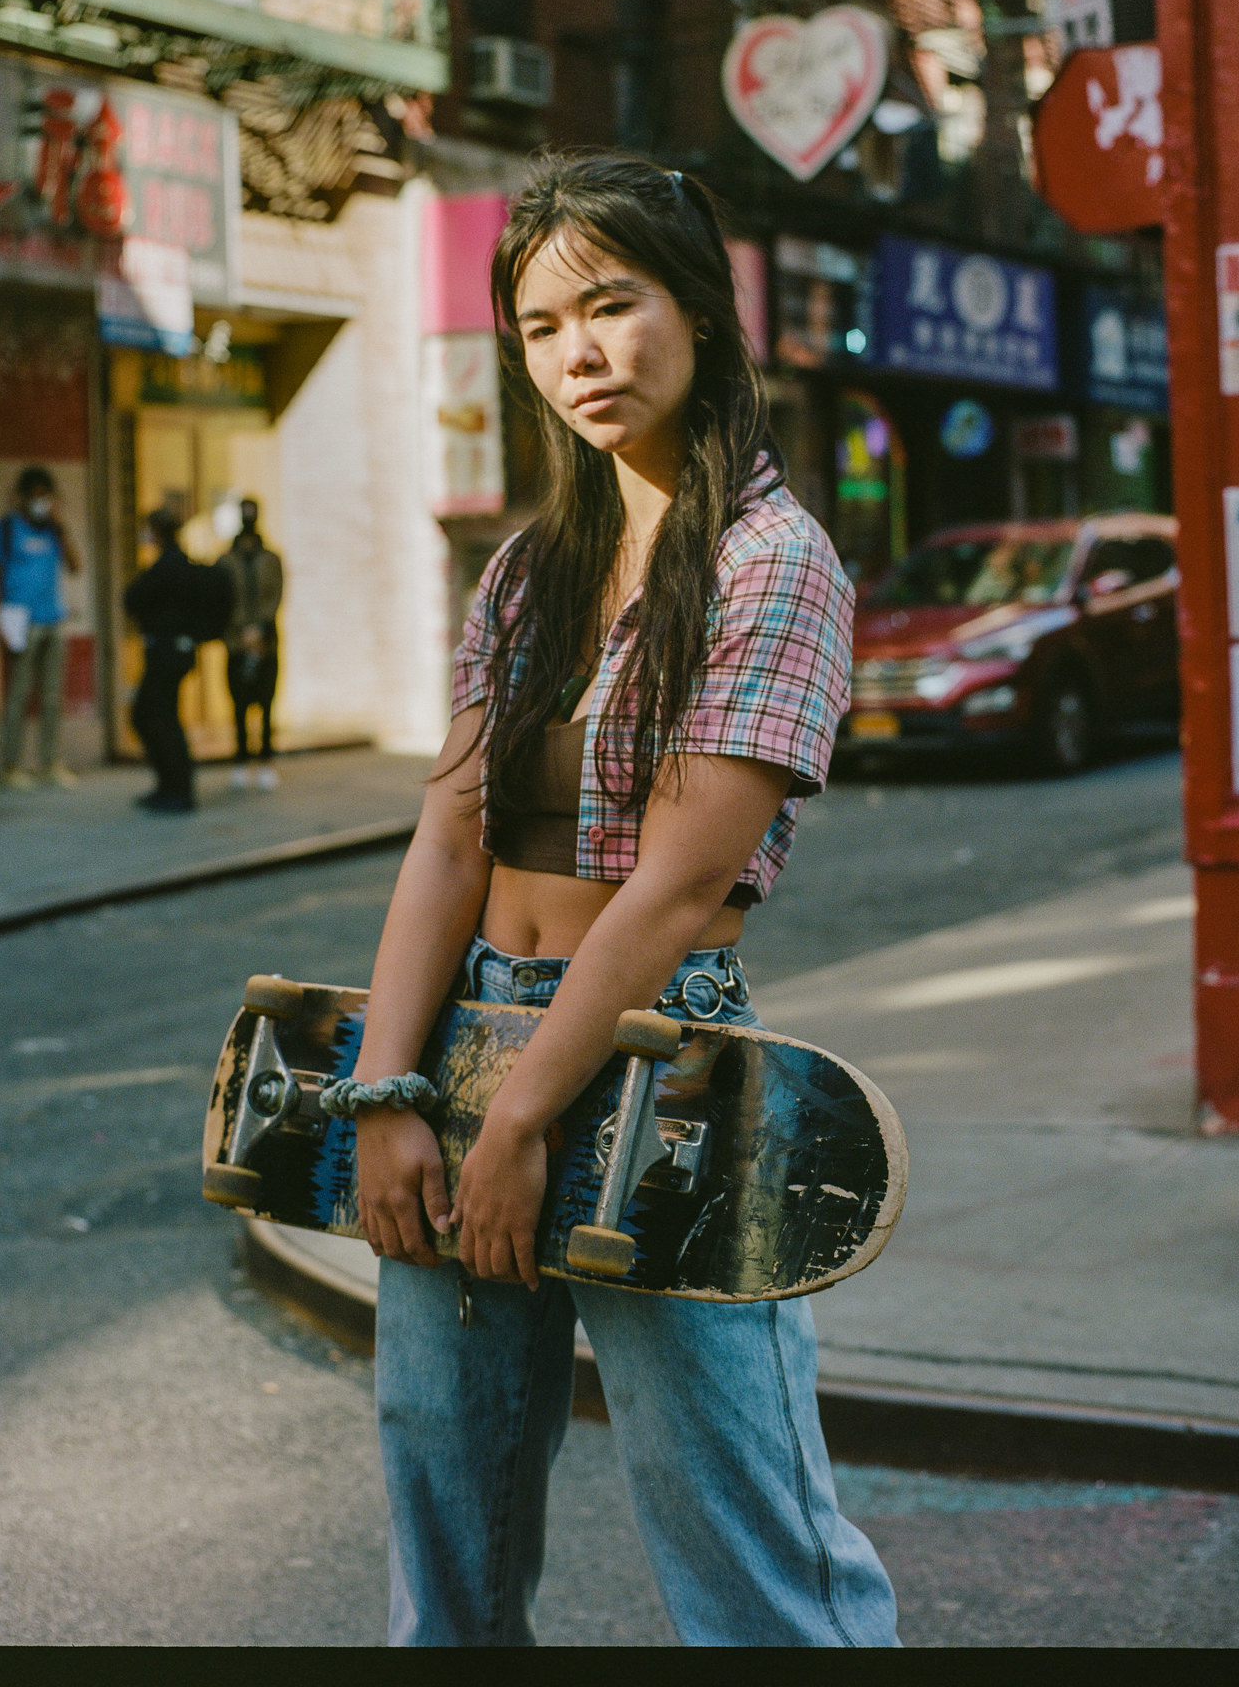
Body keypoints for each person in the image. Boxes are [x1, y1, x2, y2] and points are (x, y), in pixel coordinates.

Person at [350, 153, 900, 1647]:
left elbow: (671, 887)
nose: (579, 352)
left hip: (656, 1067)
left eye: (612, 304)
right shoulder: (527, 570)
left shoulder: (771, 562)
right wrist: (387, 1094)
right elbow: (447, 844)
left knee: (742, 1539)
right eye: (541, 326)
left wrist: (524, 1121)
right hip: (464, 1044)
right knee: (440, 1528)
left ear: (701, 314)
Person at [0, 464, 81, 788]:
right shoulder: (5, 529)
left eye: (46, 496)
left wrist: (62, 527)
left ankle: (50, 764)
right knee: (19, 697)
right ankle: (10, 767)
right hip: (20, 624)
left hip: (52, 620)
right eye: (35, 496)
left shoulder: (53, 530)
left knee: (52, 697)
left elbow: (75, 567)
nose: (41, 502)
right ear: (22, 498)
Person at [123, 508, 199, 814]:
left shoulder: (168, 567)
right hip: (173, 652)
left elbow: (134, 599)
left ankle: (177, 788)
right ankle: (170, 785)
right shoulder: (176, 564)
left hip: (167, 653)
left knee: (157, 718)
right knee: (156, 716)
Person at [219, 498, 283, 792]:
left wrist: (259, 627)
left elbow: (276, 596)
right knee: (240, 703)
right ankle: (241, 759)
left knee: (267, 701)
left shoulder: (270, 558)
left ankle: (266, 759)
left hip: (265, 642)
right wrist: (240, 628)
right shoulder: (226, 561)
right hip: (236, 642)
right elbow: (222, 598)